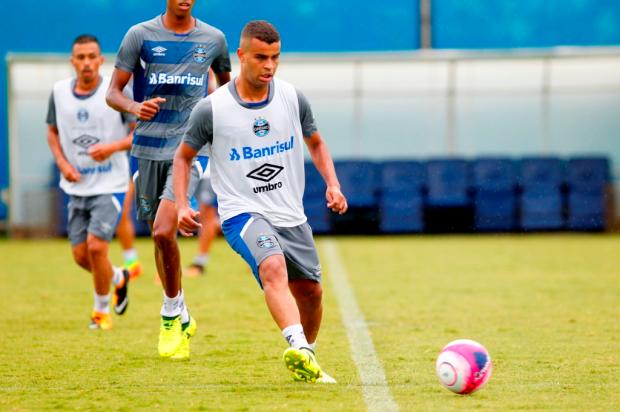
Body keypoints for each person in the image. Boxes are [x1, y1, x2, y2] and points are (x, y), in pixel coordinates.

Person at [173, 20, 348, 382]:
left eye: (275, 58)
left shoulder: (292, 97)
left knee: (311, 292)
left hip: (290, 214)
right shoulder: (211, 109)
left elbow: (315, 141)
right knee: (272, 267)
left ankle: (308, 358)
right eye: (260, 58)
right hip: (242, 213)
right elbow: (183, 156)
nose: (269, 66)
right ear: (241, 56)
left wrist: (333, 183)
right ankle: (297, 345)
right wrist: (180, 203)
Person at [106, 0, 231, 359]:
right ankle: (182, 309)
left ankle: (169, 313)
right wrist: (134, 107)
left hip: (188, 150)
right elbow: (112, 92)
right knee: (159, 240)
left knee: (164, 230)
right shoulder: (140, 36)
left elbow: (227, 94)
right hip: (146, 149)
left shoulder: (214, 39)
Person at [46, 34, 131, 330]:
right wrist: (63, 164)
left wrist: (111, 147)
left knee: (97, 248)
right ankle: (119, 276)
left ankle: (100, 312)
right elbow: (52, 132)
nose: (86, 63)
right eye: (80, 57)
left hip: (111, 184)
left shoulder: (116, 91)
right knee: (82, 256)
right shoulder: (58, 92)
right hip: (76, 186)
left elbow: (137, 134)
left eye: (91, 56)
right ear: (73, 62)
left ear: (100, 60)